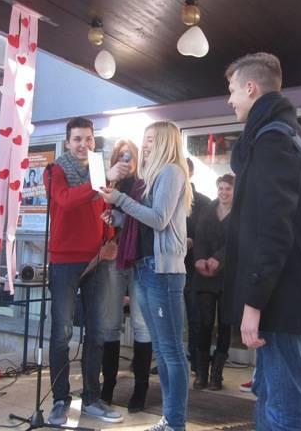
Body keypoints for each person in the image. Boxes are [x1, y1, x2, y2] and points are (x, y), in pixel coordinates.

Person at [222, 52, 301, 431]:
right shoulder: (294, 136)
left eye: (233, 90)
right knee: (271, 398)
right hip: (289, 294)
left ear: (251, 88)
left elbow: (273, 230)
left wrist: (253, 302)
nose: (230, 100)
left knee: (282, 409)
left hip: (279, 299)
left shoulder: (272, 142)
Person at [100, 121, 193, 431]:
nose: (146, 145)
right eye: (145, 139)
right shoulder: (152, 176)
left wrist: (120, 200)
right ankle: (170, 419)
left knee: (171, 352)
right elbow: (143, 223)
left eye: (151, 139)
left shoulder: (171, 172)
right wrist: (118, 217)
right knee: (163, 351)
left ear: (166, 141)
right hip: (144, 266)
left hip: (162, 270)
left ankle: (175, 422)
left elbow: (159, 219)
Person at [44, 117, 123, 425]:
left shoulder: (100, 170)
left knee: (97, 332)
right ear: (67, 143)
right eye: (77, 139)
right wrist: (98, 182)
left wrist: (111, 237)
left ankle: (91, 398)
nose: (83, 144)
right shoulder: (55, 170)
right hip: (64, 260)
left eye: (88, 139)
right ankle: (60, 400)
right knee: (61, 334)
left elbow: (104, 209)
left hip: (98, 258)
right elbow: (65, 202)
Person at [99, 139, 153, 413]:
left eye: (130, 155)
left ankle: (140, 389)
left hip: (139, 258)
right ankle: (108, 386)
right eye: (121, 155)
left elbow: (149, 219)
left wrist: (120, 218)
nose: (126, 160)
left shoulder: (145, 185)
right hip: (112, 258)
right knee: (110, 323)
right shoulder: (107, 184)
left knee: (142, 325)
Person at [192, 173, 234, 391]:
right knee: (205, 323)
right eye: (221, 188)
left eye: (228, 189)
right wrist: (199, 259)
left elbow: (238, 242)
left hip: (229, 277)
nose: (224, 193)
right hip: (206, 276)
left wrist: (219, 258)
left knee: (225, 325)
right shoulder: (208, 209)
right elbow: (199, 237)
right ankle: (201, 373)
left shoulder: (240, 213)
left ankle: (217, 374)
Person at [184, 158, 211, 376]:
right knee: (171, 317)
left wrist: (193, 240)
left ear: (191, 173)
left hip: (194, 266)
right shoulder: (167, 197)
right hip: (169, 264)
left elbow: (207, 234)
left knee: (195, 315)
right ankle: (172, 358)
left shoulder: (203, 202)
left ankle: (196, 360)